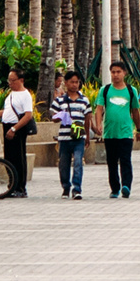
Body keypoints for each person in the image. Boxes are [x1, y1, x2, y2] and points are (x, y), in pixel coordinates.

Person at [99, 62, 140, 197]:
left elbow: (135, 111)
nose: (115, 75)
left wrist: (138, 129)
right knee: (111, 162)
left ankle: (126, 185)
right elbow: (99, 109)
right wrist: (98, 124)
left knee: (125, 160)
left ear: (124, 73)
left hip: (126, 132)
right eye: (113, 72)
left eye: (118, 72)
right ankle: (115, 188)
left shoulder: (131, 90)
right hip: (110, 132)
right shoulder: (105, 90)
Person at [52, 71, 91, 200]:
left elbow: (88, 118)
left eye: (77, 82)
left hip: (79, 137)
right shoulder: (59, 100)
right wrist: (60, 116)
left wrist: (88, 137)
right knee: (64, 164)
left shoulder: (84, 100)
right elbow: (53, 116)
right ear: (66, 83)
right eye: (72, 82)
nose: (74, 85)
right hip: (64, 138)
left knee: (78, 162)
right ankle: (65, 187)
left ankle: (77, 188)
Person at [0, 69, 37, 199]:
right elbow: (5, 112)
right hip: (7, 126)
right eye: (9, 80)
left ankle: (20, 187)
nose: (10, 83)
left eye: (13, 80)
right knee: (9, 157)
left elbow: (28, 115)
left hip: (17, 128)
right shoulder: (11, 94)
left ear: (21, 80)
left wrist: (14, 129)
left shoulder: (25, 95)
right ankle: (12, 184)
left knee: (19, 158)